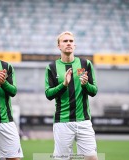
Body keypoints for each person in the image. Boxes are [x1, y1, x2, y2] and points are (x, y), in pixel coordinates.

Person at [45, 31, 98, 160]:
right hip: (62, 122)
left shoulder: (85, 64)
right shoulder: (52, 67)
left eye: (71, 41)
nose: (68, 43)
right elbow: (48, 94)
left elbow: (94, 91)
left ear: (75, 45)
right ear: (59, 46)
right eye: (65, 41)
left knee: (92, 158)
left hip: (84, 121)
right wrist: (63, 85)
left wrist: (85, 85)